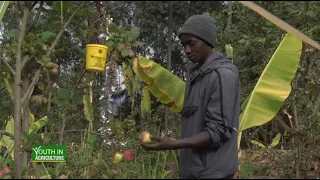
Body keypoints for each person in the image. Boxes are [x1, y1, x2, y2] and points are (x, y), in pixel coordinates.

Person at [140, 13, 241, 179]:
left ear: (207, 41)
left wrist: (172, 144)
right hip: (193, 170)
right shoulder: (196, 75)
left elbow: (218, 131)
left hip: (213, 173)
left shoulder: (222, 75)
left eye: (192, 43)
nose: (187, 50)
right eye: (184, 45)